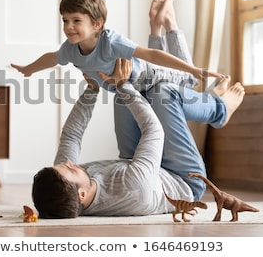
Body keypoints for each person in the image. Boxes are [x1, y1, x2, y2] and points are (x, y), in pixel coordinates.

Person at [32, 57, 245, 218]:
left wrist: (92, 89)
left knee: (125, 97)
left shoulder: (65, 185)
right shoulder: (133, 188)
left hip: (136, 163)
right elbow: (154, 131)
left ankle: (207, 97)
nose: (69, 163)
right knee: (162, 93)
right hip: (183, 178)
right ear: (81, 196)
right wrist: (123, 85)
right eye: (70, 169)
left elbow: (72, 136)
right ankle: (219, 109)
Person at [11, 0, 224, 95]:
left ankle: (168, 23)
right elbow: (52, 58)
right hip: (131, 87)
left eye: (76, 21)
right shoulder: (70, 49)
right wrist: (29, 69)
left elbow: (150, 55)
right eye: (65, 20)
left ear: (97, 24)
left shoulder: (110, 41)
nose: (68, 27)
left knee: (189, 81)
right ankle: (158, 24)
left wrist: (193, 69)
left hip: (147, 75)